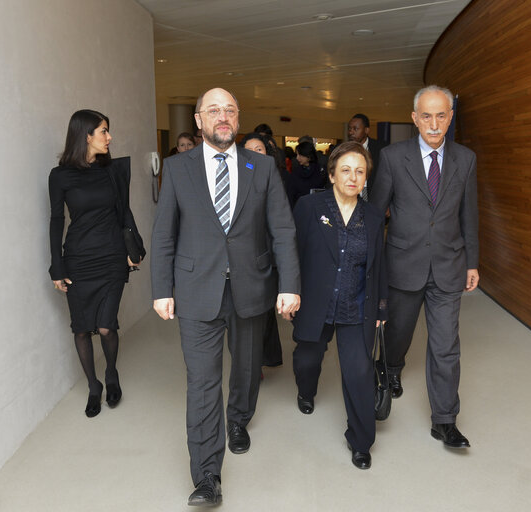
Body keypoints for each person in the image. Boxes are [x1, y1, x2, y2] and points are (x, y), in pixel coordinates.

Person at [151, 88, 301, 507]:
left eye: (230, 110)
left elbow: (283, 229)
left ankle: (239, 419)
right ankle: (207, 476)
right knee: (201, 383)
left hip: (251, 287)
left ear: (238, 120)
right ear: (198, 120)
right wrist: (162, 289)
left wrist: (290, 283)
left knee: (247, 368)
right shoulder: (177, 168)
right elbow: (164, 234)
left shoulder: (263, 166)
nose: (223, 116)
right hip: (197, 291)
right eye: (213, 110)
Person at [370, 85, 479, 449]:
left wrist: (472, 262)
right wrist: (371, 265)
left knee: (446, 346)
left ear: (450, 117)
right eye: (427, 116)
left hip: (449, 264)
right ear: (415, 119)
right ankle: (392, 367)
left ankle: (445, 420)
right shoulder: (392, 157)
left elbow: (469, 215)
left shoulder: (466, 159)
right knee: (398, 334)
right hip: (403, 263)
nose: (434, 123)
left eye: (442, 115)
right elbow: (375, 214)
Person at [290, 141, 388, 470]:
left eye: (360, 172)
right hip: (315, 302)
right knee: (307, 359)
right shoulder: (308, 207)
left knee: (360, 372)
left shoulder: (374, 218)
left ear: (365, 179)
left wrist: (381, 311)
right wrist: (289, 291)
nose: (353, 177)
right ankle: (306, 390)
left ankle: (360, 441)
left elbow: (380, 266)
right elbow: (292, 252)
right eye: (345, 170)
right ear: (332, 174)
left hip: (355, 306)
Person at [48, 109, 145, 418]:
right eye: (104, 131)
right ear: (86, 135)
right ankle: (94, 386)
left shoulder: (111, 170)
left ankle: (112, 373)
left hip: (112, 256)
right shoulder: (60, 175)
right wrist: (57, 267)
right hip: (77, 259)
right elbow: (55, 222)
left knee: (105, 326)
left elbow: (124, 212)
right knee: (81, 329)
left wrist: (133, 248)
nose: (109, 137)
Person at [239, 132, 284, 367]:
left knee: (266, 311)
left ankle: (265, 357)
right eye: (250, 150)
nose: (255, 154)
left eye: (260, 149)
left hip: (270, 254)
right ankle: (253, 361)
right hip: (245, 257)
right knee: (251, 313)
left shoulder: (275, 178)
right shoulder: (234, 181)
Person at [347, 113, 387, 199]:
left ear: (366, 130)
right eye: (349, 128)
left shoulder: (381, 149)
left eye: (355, 129)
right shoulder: (342, 150)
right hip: (350, 198)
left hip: (375, 199)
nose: (351, 132)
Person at [286, 140, 327, 208]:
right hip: (299, 209)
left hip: (316, 209)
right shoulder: (296, 172)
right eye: (297, 155)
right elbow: (290, 195)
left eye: (300, 155)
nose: (297, 158)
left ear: (308, 156)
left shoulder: (320, 171)